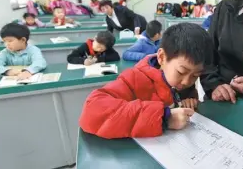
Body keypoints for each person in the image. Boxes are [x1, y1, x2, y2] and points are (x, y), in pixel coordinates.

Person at [79, 23, 213, 138]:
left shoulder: (181, 84)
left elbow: (179, 98)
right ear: (161, 57)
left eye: (195, 75)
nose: (186, 81)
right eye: (181, 72)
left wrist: (189, 100)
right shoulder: (134, 79)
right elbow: (92, 111)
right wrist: (164, 118)